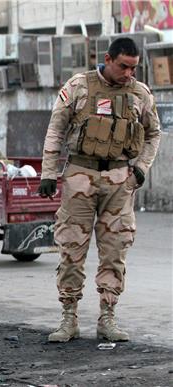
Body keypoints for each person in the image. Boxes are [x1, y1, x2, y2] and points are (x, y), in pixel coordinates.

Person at [38, 37, 161, 343]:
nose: (129, 73)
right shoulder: (80, 86)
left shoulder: (140, 94)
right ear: (107, 59)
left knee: (115, 251)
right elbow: (56, 129)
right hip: (81, 175)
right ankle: (69, 318)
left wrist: (141, 169)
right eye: (123, 66)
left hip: (120, 180)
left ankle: (108, 317)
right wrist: (49, 173)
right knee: (71, 248)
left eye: (133, 67)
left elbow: (154, 134)